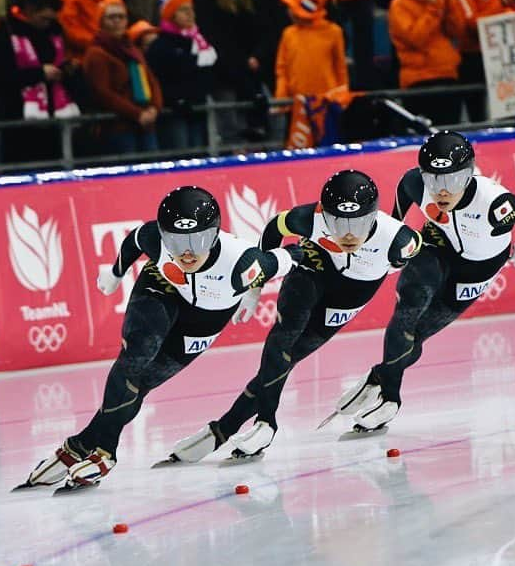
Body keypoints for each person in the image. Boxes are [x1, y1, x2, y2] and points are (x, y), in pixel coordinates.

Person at [14, 186, 301, 492]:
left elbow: (289, 255)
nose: (187, 252)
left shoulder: (243, 264)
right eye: (176, 242)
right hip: (160, 288)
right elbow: (136, 238)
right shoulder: (156, 239)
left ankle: (81, 443)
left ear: (215, 235)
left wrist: (254, 291)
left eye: (198, 240)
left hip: (204, 320)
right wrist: (115, 273)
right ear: (165, 236)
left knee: (140, 385)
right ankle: (105, 451)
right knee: (135, 356)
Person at [164, 170, 423, 462]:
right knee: (281, 341)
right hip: (313, 268)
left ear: (374, 217)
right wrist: (255, 287)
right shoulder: (307, 219)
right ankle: (265, 423)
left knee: (285, 361)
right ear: (323, 215)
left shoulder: (402, 240)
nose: (349, 233)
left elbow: (401, 266)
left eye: (359, 223)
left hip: (348, 299)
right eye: (339, 223)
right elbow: (274, 228)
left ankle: (226, 427)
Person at [320, 131, 515, 433]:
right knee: (408, 307)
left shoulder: (497, 206)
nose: (442, 191)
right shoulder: (413, 183)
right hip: (437, 244)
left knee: (417, 336)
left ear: (469, 175)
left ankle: (378, 376)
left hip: (479, 269)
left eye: (452, 181)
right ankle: (390, 399)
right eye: (434, 180)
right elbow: (392, 223)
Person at [0, 0, 84, 166]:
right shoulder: (7, 33)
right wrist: (39, 73)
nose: (48, 23)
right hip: (18, 120)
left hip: (53, 118)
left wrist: (67, 70)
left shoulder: (55, 32)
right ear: (30, 11)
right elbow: (1, 79)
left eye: (52, 18)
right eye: (44, 18)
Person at [194, 0, 265, 145]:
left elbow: (256, 31)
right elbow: (215, 37)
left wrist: (255, 56)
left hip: (247, 69)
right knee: (229, 126)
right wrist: (241, 61)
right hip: (222, 73)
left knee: (254, 119)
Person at [387, 0, 461, 127]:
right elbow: (415, 38)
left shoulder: (441, 1)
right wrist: (434, 8)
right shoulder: (399, 6)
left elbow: (457, 31)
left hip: (447, 77)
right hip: (419, 82)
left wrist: (450, 2)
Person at [81, 0, 163, 159]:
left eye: (121, 17)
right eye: (111, 17)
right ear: (101, 22)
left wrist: (154, 108)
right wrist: (137, 114)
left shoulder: (132, 49)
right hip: (119, 128)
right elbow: (103, 93)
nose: (117, 21)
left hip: (145, 124)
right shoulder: (96, 54)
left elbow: (151, 81)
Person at [272, 0, 347, 144]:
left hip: (326, 106)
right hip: (296, 107)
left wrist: (342, 98)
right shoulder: (288, 34)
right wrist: (281, 99)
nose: (289, 11)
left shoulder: (333, 32)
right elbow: (282, 70)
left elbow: (340, 69)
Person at [444, 0, 505, 122]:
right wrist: (501, 4)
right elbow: (472, 23)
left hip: (502, 54)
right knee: (479, 114)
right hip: (474, 56)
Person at [145, 0, 217, 153]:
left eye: (191, 9)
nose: (190, 14)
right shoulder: (160, 46)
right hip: (174, 114)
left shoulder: (198, 41)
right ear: (171, 14)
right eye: (183, 10)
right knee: (181, 156)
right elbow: (157, 79)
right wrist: (175, 99)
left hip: (198, 110)